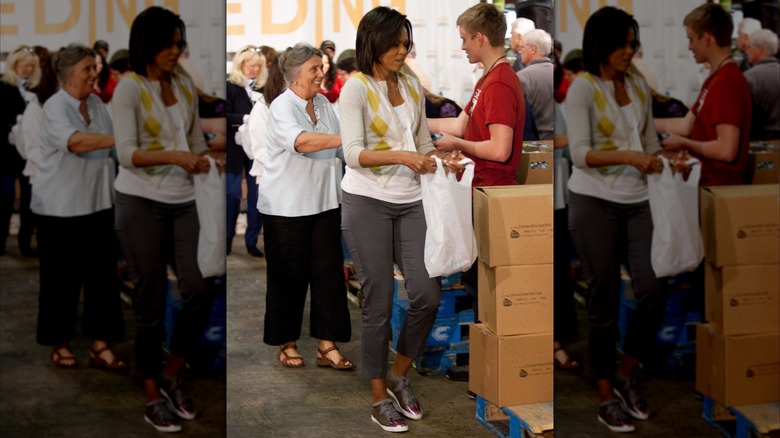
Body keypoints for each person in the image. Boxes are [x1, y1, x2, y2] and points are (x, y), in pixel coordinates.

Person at [339, 6, 457, 433]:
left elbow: (421, 139)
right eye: (396, 44)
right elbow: (352, 153)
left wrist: (440, 159)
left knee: (427, 292)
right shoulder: (354, 88)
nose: (403, 52)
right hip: (366, 200)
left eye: (407, 44)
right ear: (374, 42)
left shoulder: (409, 81)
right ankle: (377, 396)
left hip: (412, 199)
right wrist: (402, 156)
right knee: (378, 300)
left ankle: (398, 374)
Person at [566, 7, 680, 433]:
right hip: (593, 201)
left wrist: (667, 159)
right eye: (623, 44)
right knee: (604, 300)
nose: (629, 52)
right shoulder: (583, 88)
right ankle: (603, 392)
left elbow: (649, 141)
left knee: (653, 287)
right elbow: (580, 153)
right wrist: (631, 157)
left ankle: (627, 371)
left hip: (639, 200)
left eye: (633, 44)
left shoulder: (637, 84)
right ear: (602, 44)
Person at [112, 6, 223, 432]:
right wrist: (177, 156)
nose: (177, 51)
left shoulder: (183, 84)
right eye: (170, 44)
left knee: (198, 287)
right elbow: (125, 153)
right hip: (139, 201)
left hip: (185, 200)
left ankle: (174, 371)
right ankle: (151, 392)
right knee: (150, 301)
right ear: (148, 45)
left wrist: (205, 155)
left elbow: (194, 140)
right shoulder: (129, 88)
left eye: (180, 44)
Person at [258, 42, 354, 373]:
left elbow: (341, 147)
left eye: (321, 67)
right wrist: (350, 140)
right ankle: (286, 343)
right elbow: (302, 142)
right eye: (314, 68)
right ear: (295, 74)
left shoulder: (324, 103)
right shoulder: (282, 107)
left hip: (325, 203)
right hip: (285, 208)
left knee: (329, 276)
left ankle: (327, 345)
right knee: (288, 277)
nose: (320, 73)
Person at [428, 3, 525, 323]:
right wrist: (413, 121)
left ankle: (490, 351)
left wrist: (458, 146)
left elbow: (499, 149)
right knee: (475, 277)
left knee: (482, 279)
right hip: (481, 190)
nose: (462, 46)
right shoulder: (489, 79)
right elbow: (458, 125)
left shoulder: (498, 83)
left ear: (481, 38)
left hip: (491, 191)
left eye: (465, 38)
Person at [32, 43, 125, 371]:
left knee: (103, 279)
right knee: (61, 281)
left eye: (95, 67)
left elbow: (113, 144)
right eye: (87, 68)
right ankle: (60, 343)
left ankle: (101, 344)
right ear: (68, 74)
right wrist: (124, 139)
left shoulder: (97, 103)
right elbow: (76, 141)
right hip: (59, 209)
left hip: (98, 204)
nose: (94, 73)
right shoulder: (56, 106)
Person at [656, 3, 752, 187]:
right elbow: (686, 125)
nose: (689, 47)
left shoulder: (726, 83)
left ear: (706, 38)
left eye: (691, 39)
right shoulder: (715, 78)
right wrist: (642, 122)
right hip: (709, 185)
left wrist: (685, 144)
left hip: (720, 187)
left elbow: (726, 150)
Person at [227, 45, 266, 257]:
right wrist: (245, 118)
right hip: (234, 147)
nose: (254, 70)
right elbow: (224, 115)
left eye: (257, 66)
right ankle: (226, 239)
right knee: (232, 195)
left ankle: (252, 240)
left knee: (256, 196)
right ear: (241, 64)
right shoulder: (230, 87)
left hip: (256, 147)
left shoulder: (263, 88)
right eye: (251, 65)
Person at [1, 45, 38, 257]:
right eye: (23, 66)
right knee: (4, 198)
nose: (26, 70)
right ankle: (1, 241)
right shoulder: (3, 87)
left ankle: (26, 242)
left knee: (29, 200)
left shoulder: (36, 89)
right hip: (5, 150)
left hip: (28, 151)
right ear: (14, 65)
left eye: (30, 67)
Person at [517, 28, 554, 140]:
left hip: (535, 146)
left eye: (522, 47)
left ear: (533, 49)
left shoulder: (522, 77)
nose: (519, 51)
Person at [744, 29, 779, 140]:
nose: (746, 51)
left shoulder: (749, 78)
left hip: (759, 147)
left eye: (749, 47)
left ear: (759, 49)